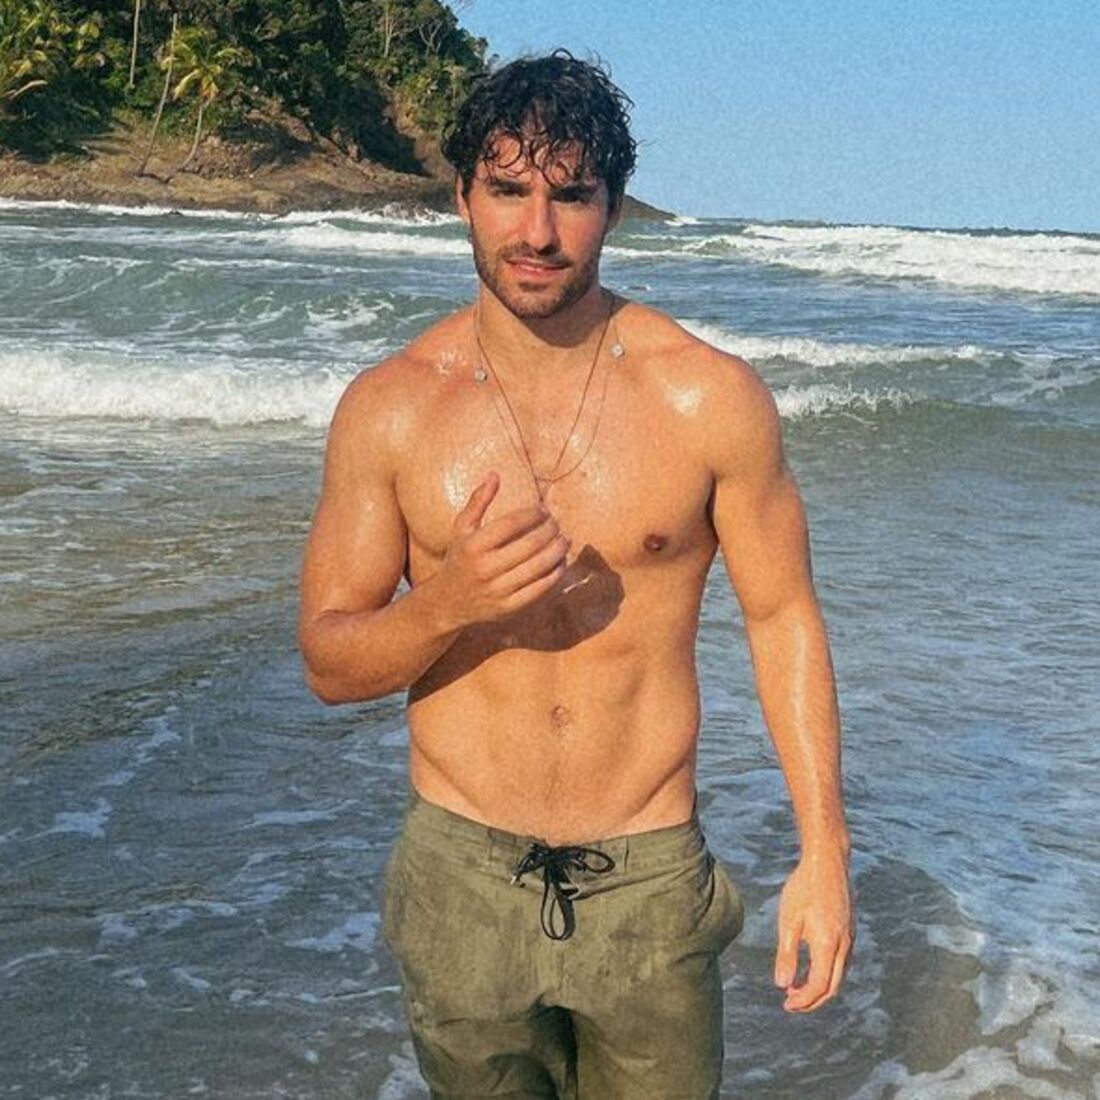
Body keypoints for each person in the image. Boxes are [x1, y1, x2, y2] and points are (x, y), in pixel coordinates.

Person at [298, 50, 852, 1100]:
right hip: (458, 878)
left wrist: (823, 855)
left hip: (647, 881)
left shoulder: (708, 398)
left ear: (613, 208)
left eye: (572, 196)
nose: (538, 232)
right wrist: (449, 605)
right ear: (462, 196)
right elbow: (329, 663)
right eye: (508, 190)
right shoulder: (392, 407)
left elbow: (782, 617)